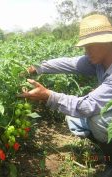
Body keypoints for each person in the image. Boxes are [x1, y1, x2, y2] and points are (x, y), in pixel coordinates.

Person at [18, 14, 112, 176]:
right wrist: (37, 68)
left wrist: (48, 95)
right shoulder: (99, 61)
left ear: (108, 42)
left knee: (97, 118)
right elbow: (70, 63)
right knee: (74, 118)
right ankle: (108, 155)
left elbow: (86, 106)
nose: (86, 50)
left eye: (90, 45)